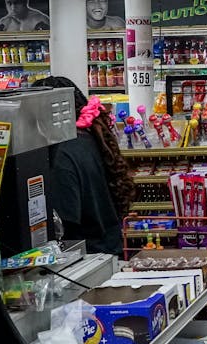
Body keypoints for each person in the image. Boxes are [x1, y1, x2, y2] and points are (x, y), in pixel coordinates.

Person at [30, 77, 132, 256]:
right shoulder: (92, 138)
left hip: (85, 257)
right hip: (109, 248)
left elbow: (65, 222)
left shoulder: (62, 154)